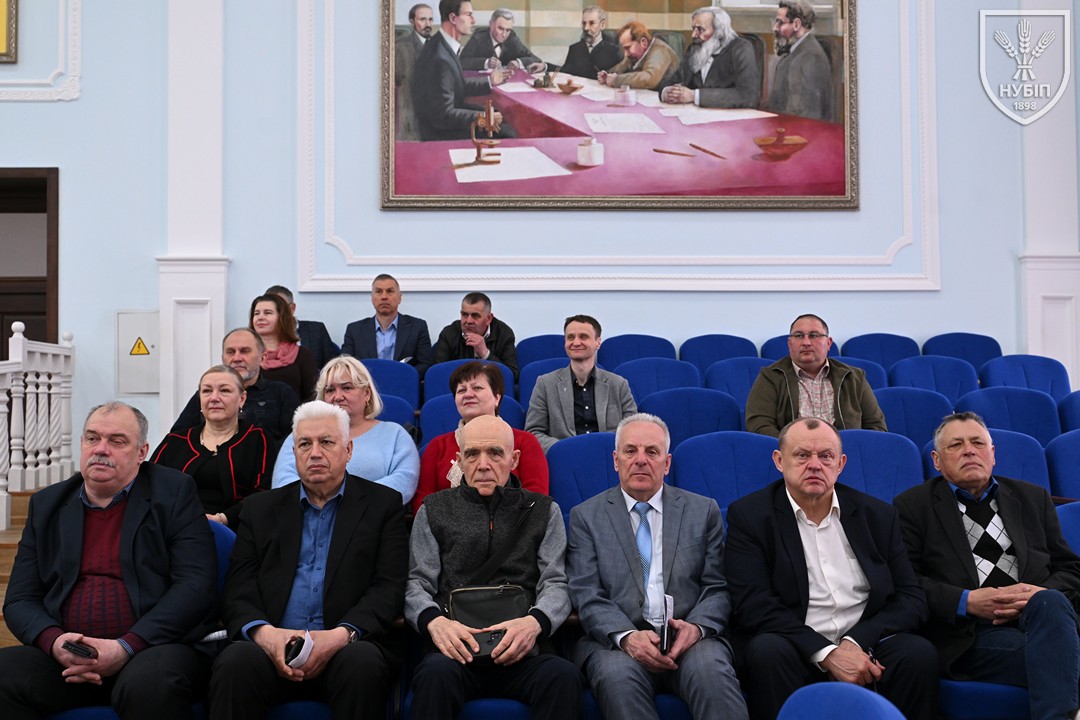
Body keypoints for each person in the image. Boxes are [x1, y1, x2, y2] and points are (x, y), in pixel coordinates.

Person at [0, 402, 217, 719]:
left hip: (151, 649)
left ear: (142, 453)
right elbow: (20, 598)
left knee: (150, 684)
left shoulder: (173, 493)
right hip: (68, 657)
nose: (101, 449)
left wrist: (126, 646)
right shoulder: (47, 504)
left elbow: (195, 586)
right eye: (92, 438)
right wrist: (54, 641)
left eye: (117, 441)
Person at [724, 417, 937, 720]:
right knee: (766, 651)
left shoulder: (877, 515)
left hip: (865, 642)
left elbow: (911, 597)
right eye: (802, 455)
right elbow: (753, 605)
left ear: (841, 464)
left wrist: (854, 643)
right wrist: (827, 653)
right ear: (779, 461)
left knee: (918, 654)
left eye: (826, 456)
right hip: (794, 643)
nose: (815, 465)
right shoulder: (750, 516)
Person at [208, 401, 408, 720]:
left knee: (363, 664)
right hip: (271, 646)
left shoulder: (382, 505)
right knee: (235, 662)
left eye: (326, 442)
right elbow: (239, 588)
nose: (315, 453)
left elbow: (388, 587)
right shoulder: (260, 509)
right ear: (294, 453)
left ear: (348, 450)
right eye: (304, 444)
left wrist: (340, 635)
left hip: (346, 646)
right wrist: (265, 635)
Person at [894, 412, 1080, 720]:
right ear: (936, 460)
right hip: (972, 634)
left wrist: (1036, 593)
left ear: (993, 454)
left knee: (1050, 603)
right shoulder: (912, 506)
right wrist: (966, 601)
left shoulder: (1032, 497)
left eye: (978, 443)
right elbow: (906, 582)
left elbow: (1071, 569)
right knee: (1061, 657)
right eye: (956, 445)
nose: (969, 450)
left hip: (1044, 620)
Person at [566, 414, 749, 720]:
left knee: (712, 675)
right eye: (630, 451)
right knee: (618, 680)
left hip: (691, 639)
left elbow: (717, 586)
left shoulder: (703, 511)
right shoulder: (585, 516)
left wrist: (697, 628)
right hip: (617, 644)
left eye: (652, 451)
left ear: (667, 463)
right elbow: (586, 592)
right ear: (616, 460)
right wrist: (627, 636)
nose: (640, 460)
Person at [406, 415, 581, 720]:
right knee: (434, 675)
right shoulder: (433, 509)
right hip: (456, 651)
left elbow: (556, 581)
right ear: (459, 460)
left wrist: (535, 623)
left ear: (514, 459)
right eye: (472, 454)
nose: (483, 464)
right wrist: (436, 623)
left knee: (563, 677)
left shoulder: (543, 510)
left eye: (495, 453)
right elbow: (417, 583)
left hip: (524, 650)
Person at [271, 355, 420, 505]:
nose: (338, 397)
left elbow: (404, 480)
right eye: (330, 390)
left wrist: (348, 502)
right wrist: (324, 503)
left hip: (375, 515)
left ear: (367, 393)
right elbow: (284, 481)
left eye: (347, 388)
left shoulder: (395, 435)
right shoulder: (302, 434)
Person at [413, 361, 547, 513]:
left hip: (515, 525)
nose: (468, 394)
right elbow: (423, 503)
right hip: (448, 526)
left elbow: (536, 498)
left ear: (497, 397)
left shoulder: (525, 441)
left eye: (477, 388)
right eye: (461, 390)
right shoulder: (436, 446)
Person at [152, 365, 277, 527]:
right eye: (207, 391)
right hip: (173, 528)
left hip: (236, 529)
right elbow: (150, 485)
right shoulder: (176, 440)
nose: (214, 398)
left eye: (224, 391)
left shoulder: (258, 439)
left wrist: (223, 519)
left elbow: (263, 493)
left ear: (242, 399)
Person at [745, 314, 886, 437]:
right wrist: (792, 447)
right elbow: (758, 425)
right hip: (793, 455)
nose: (806, 342)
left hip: (845, 453)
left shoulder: (854, 377)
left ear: (828, 343)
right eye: (799, 336)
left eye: (814, 335)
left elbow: (876, 426)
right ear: (789, 344)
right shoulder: (771, 376)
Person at [170, 328, 300, 448]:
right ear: (223, 359)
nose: (237, 358)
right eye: (230, 352)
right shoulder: (208, 395)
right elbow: (177, 437)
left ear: (263, 357)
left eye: (245, 351)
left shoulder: (280, 393)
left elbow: (296, 438)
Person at [525, 314, 637, 453]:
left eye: (583, 337)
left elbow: (633, 430)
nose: (576, 342)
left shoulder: (619, 384)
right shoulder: (545, 384)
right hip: (565, 457)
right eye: (570, 337)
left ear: (598, 342)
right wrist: (566, 449)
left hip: (608, 457)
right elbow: (533, 432)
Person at [412, 0, 515, 142]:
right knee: (507, 132)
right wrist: (483, 117)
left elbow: (454, 85)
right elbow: (443, 115)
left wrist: (489, 81)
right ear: (453, 18)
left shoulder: (442, 45)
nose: (473, 20)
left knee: (500, 116)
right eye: (468, 15)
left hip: (446, 121)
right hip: (440, 132)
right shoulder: (439, 57)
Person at [658, 7, 759, 109]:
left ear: (718, 32)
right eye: (694, 29)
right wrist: (666, 92)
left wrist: (694, 96)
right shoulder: (694, 49)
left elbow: (748, 96)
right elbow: (672, 80)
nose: (693, 35)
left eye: (700, 29)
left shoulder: (741, 48)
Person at [340, 273, 434, 377]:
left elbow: (426, 365)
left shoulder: (417, 327)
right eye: (378, 292)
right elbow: (345, 365)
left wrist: (399, 376)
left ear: (399, 298)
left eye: (390, 291)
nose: (384, 297)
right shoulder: (354, 330)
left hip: (402, 383)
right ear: (372, 298)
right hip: (366, 385)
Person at [765, 0, 834, 121]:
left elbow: (802, 116)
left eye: (780, 22)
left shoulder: (810, 58)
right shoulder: (797, 52)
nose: (774, 27)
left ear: (796, 24)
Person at [249, 293, 318, 402]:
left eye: (268, 313)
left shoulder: (302, 355)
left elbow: (313, 395)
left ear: (281, 317)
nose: (260, 317)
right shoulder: (245, 355)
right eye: (256, 313)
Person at [433, 291, 519, 379]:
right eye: (464, 314)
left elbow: (512, 376)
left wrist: (485, 354)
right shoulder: (449, 333)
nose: (468, 321)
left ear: (488, 318)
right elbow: (437, 374)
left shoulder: (504, 334)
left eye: (475, 316)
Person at [265, 285, 340, 370]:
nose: (276, 313)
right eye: (269, 310)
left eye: (280, 307)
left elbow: (333, 368)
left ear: (292, 308)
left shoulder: (316, 331)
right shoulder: (259, 336)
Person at [597, 21, 679, 91]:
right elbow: (621, 68)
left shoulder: (660, 51)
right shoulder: (634, 55)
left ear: (643, 43)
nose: (626, 54)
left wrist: (617, 80)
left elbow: (649, 79)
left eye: (628, 48)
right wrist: (606, 75)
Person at [460, 8, 544, 73]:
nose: (504, 34)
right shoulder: (479, 37)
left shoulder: (511, 38)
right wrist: (486, 62)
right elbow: (461, 62)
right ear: (491, 24)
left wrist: (518, 62)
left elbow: (535, 59)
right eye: (500, 28)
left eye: (508, 30)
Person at [395, 3, 434, 140]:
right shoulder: (401, 47)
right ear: (412, 22)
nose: (427, 24)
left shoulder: (437, 45)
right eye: (422, 19)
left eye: (430, 19)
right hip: (412, 117)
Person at [559, 6, 623, 81]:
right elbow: (564, 73)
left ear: (602, 25)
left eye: (592, 23)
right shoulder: (575, 49)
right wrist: (547, 66)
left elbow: (620, 78)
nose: (586, 28)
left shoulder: (614, 52)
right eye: (584, 23)